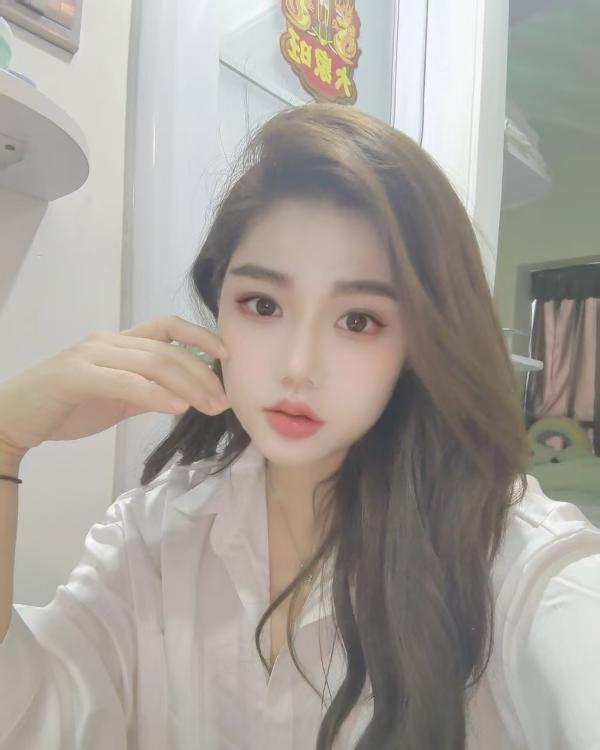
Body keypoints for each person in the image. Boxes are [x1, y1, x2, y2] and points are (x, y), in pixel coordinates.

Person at [0, 102, 598, 750]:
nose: (298, 366)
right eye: (263, 304)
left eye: (358, 320)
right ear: (218, 305)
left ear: (417, 343)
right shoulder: (155, 535)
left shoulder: (507, 557)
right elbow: (35, 718)